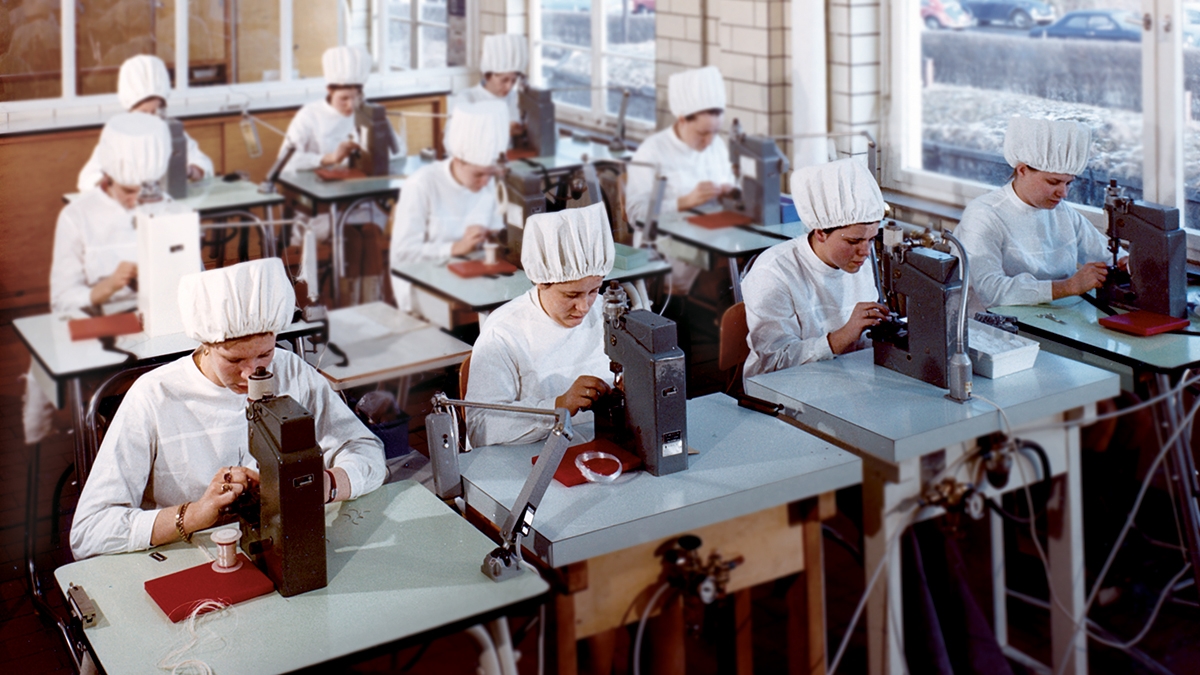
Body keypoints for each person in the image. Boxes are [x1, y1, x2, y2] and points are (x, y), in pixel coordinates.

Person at [70, 258, 386, 559]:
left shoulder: (292, 371)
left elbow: (366, 451)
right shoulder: (154, 396)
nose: (253, 374)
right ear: (205, 345)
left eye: (264, 354)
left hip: (282, 544)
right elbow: (89, 532)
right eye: (234, 360)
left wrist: (326, 485)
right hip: (192, 556)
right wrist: (193, 514)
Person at [22, 112, 173, 447]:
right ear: (107, 177)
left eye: (147, 190)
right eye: (130, 190)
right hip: (100, 328)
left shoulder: (163, 205)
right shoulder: (78, 216)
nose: (139, 200)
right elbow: (62, 298)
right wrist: (104, 288)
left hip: (157, 329)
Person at [465, 202, 615, 447]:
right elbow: (480, 427)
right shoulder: (503, 332)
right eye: (571, 295)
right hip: (530, 459)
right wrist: (557, 406)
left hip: (600, 448)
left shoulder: (605, 311)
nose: (585, 307)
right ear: (542, 282)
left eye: (594, 291)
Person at [955, 116, 1117, 316]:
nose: (1063, 193)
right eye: (1053, 182)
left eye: (1069, 183)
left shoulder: (1063, 213)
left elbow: (1106, 255)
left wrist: (1129, 263)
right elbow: (991, 290)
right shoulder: (984, 214)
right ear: (1022, 169)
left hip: (1056, 319)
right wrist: (1068, 286)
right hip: (995, 328)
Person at [742, 158, 888, 379]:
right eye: (853, 241)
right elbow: (774, 360)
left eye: (871, 240)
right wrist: (843, 336)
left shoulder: (859, 263)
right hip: (783, 389)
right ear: (820, 232)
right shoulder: (772, 273)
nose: (865, 251)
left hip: (845, 380)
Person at [279, 45, 398, 304]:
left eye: (356, 98)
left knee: (369, 233)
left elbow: (398, 153)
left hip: (362, 205)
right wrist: (329, 158)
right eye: (344, 98)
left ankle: (370, 305)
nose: (350, 105)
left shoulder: (369, 113)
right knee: (352, 237)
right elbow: (285, 162)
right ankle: (347, 308)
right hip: (317, 211)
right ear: (330, 92)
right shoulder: (310, 116)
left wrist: (374, 151)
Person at [389, 100, 508, 313]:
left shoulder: (490, 185)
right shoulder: (422, 185)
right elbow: (404, 254)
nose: (484, 182)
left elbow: (498, 231)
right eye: (478, 174)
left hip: (476, 280)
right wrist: (453, 248)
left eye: (490, 174)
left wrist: (493, 237)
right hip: (424, 284)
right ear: (458, 160)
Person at [625, 65, 736, 293]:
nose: (709, 141)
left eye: (715, 133)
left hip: (709, 236)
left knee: (748, 259)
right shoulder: (652, 151)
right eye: (702, 133)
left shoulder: (715, 147)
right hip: (665, 249)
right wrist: (684, 202)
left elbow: (729, 183)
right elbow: (636, 214)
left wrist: (730, 193)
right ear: (682, 120)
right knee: (732, 267)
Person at [76, 55, 213, 192]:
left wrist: (189, 171)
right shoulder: (117, 136)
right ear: (130, 110)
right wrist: (109, 181)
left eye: (155, 111)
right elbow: (87, 180)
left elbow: (204, 166)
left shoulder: (171, 131)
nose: (150, 118)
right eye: (143, 112)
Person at [450, 33, 526, 137]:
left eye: (513, 81)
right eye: (504, 80)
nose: (509, 87)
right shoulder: (468, 98)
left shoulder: (514, 97)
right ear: (488, 76)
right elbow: (452, 139)